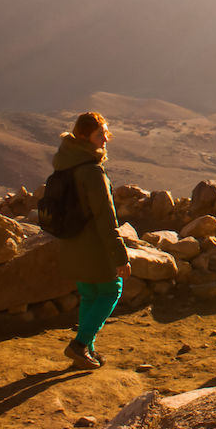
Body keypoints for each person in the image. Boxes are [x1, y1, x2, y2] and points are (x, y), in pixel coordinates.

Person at [53, 112, 131, 371]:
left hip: (71, 242)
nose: (106, 139)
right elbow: (106, 218)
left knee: (89, 295)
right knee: (111, 291)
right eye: (101, 134)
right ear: (85, 136)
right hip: (94, 245)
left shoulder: (66, 163)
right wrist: (120, 256)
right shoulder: (92, 171)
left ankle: (88, 350)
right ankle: (80, 344)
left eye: (106, 133)